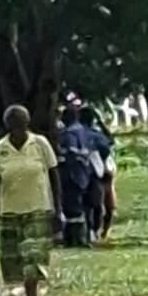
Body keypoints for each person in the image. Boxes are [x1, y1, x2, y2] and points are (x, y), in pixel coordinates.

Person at [0, 105, 61, 296]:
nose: (17, 128)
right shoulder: (1, 148)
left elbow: (53, 173)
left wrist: (57, 207)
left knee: (33, 258)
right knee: (16, 261)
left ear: (27, 124)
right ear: (7, 126)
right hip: (10, 212)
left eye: (20, 124)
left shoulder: (40, 144)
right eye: (12, 125)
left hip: (37, 208)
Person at [56, 101, 99, 247]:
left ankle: (74, 239)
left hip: (71, 175)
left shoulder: (68, 134)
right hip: (85, 175)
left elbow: (69, 153)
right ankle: (85, 237)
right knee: (84, 208)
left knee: (72, 208)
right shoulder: (85, 131)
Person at [82, 104, 117, 239]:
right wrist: (101, 123)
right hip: (99, 171)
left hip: (81, 171)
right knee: (105, 202)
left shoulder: (73, 132)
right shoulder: (96, 135)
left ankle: (92, 229)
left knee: (90, 203)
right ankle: (100, 230)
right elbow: (108, 145)